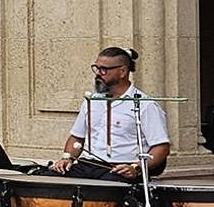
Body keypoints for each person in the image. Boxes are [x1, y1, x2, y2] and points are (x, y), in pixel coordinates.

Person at [51, 46, 170, 180]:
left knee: (107, 188)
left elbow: (161, 147)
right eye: (96, 68)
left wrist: (136, 167)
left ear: (123, 71)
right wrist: (67, 159)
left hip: (120, 168)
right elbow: (76, 137)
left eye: (104, 69)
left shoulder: (145, 105)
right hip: (88, 165)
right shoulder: (92, 100)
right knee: (49, 178)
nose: (98, 73)